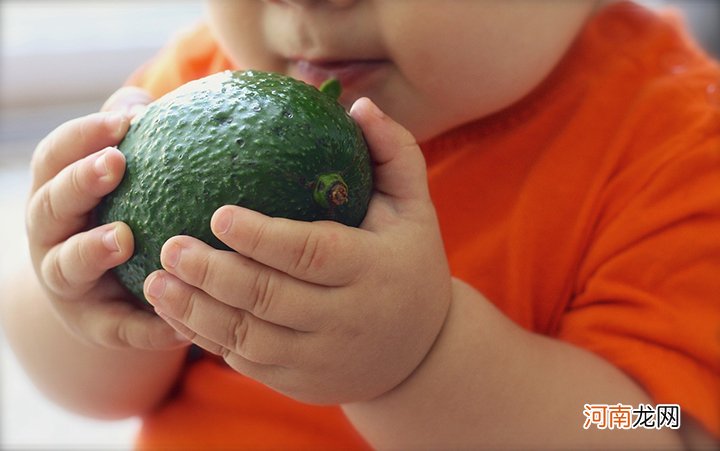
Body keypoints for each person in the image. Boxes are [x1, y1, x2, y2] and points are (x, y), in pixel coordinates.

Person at [1, 0, 718, 448]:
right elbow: (95, 392)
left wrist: (422, 361)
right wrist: (82, 284)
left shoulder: (679, 150)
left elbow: (657, 430)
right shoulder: (207, 85)